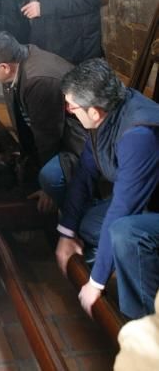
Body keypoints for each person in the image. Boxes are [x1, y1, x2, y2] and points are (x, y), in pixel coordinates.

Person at [55, 58, 159, 320]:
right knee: (89, 224)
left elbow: (123, 209)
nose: (69, 110)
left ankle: (142, 322)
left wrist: (96, 282)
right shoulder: (105, 117)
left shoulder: (138, 136)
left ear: (94, 111)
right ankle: (122, 260)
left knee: (124, 232)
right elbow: (85, 174)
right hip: (146, 202)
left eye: (72, 107)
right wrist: (66, 232)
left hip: (150, 208)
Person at [0, 31, 87, 212]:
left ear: (4, 67)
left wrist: (47, 188)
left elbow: (49, 136)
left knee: (48, 180)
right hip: (54, 131)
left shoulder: (39, 81)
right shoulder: (19, 61)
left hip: (77, 140)